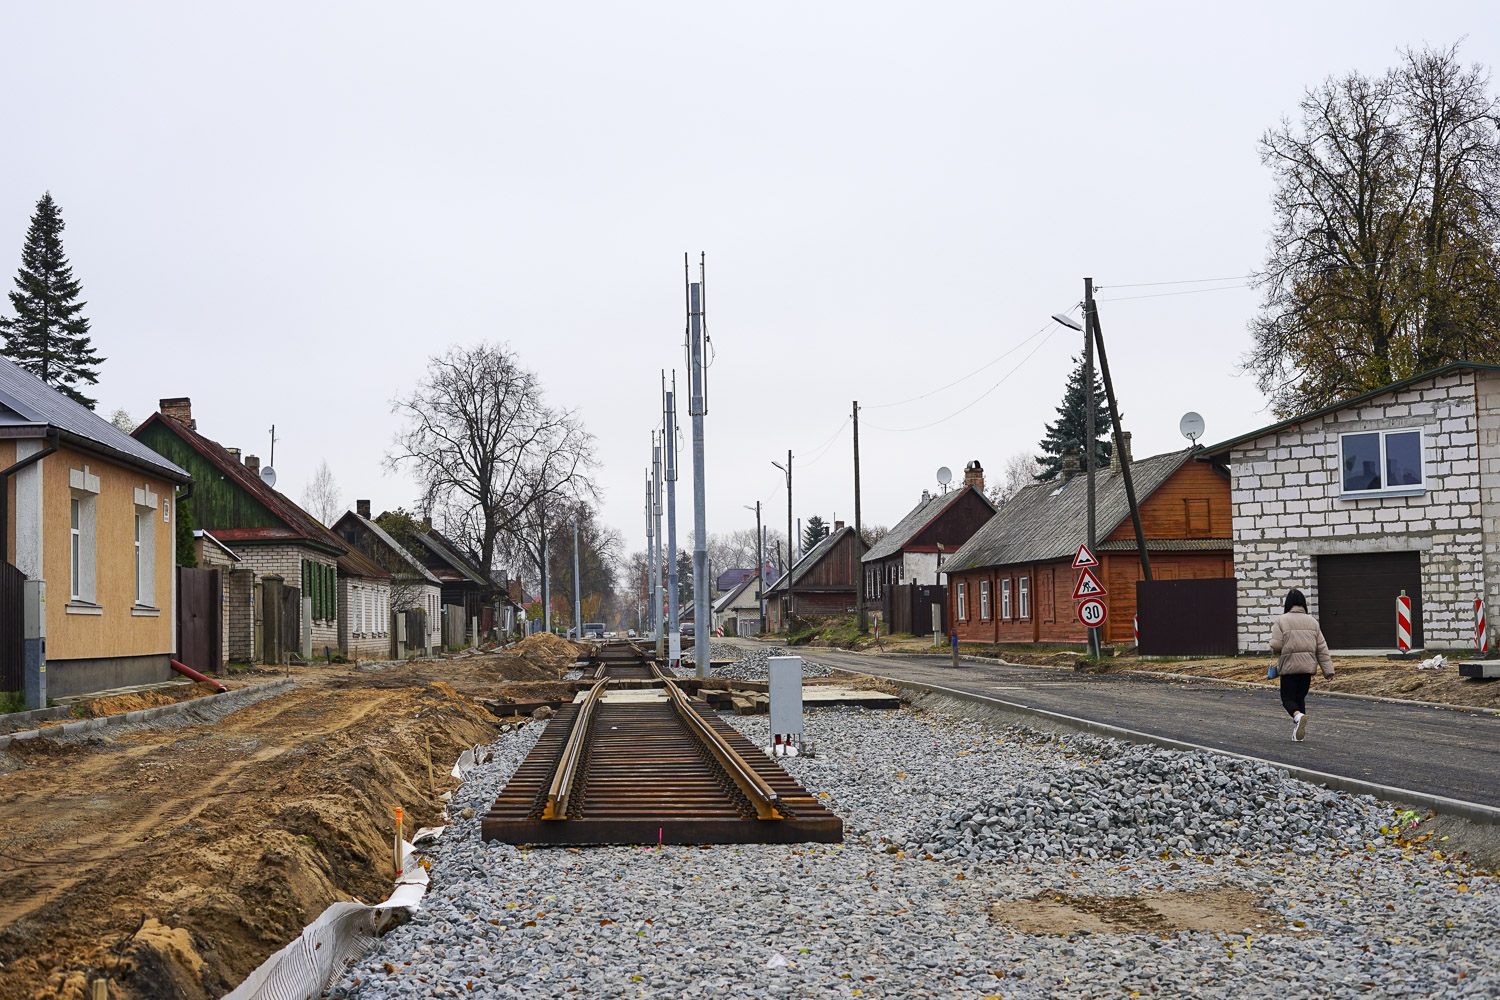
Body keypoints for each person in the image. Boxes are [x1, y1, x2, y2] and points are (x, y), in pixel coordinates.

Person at [1268, 588, 1333, 741]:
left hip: (1289, 668)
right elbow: (1322, 648)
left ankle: (1298, 717)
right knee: (1300, 698)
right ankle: (1298, 735)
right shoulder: (1312, 622)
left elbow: (1276, 646)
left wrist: (1271, 643)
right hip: (1307, 669)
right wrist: (1328, 672)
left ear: (1287, 604)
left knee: (1288, 699)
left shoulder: (1281, 620)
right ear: (1303, 603)